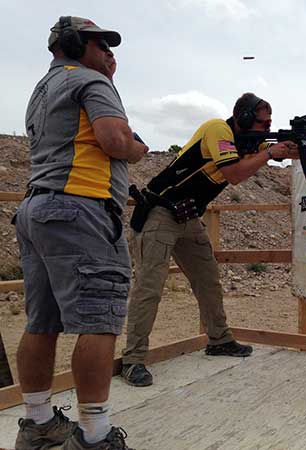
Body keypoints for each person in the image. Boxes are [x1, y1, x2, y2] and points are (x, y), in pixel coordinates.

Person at [120, 93, 306, 387]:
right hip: (160, 213)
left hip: (188, 217)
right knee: (149, 288)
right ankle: (133, 359)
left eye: (269, 123)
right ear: (244, 118)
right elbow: (234, 174)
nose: (267, 127)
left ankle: (219, 340)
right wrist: (269, 153)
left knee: (208, 280)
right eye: (262, 122)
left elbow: (290, 152)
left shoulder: (251, 142)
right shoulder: (218, 130)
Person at [13, 16, 148, 450]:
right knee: (99, 321)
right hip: (81, 208)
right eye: (101, 44)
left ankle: (36, 424)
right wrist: (137, 148)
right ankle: (95, 435)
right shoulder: (92, 80)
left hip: (38, 209)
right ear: (74, 44)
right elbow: (114, 140)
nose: (111, 53)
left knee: (42, 322)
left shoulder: (40, 90)